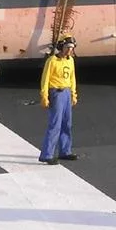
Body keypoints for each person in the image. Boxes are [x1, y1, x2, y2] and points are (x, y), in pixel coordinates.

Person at [38, 35, 79, 164]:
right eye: (67, 48)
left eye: (71, 48)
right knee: (55, 124)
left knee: (67, 123)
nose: (69, 51)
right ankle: (47, 154)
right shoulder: (52, 61)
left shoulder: (70, 61)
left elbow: (72, 78)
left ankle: (65, 150)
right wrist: (44, 95)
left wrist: (73, 94)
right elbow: (45, 79)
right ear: (61, 47)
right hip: (56, 92)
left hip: (66, 92)